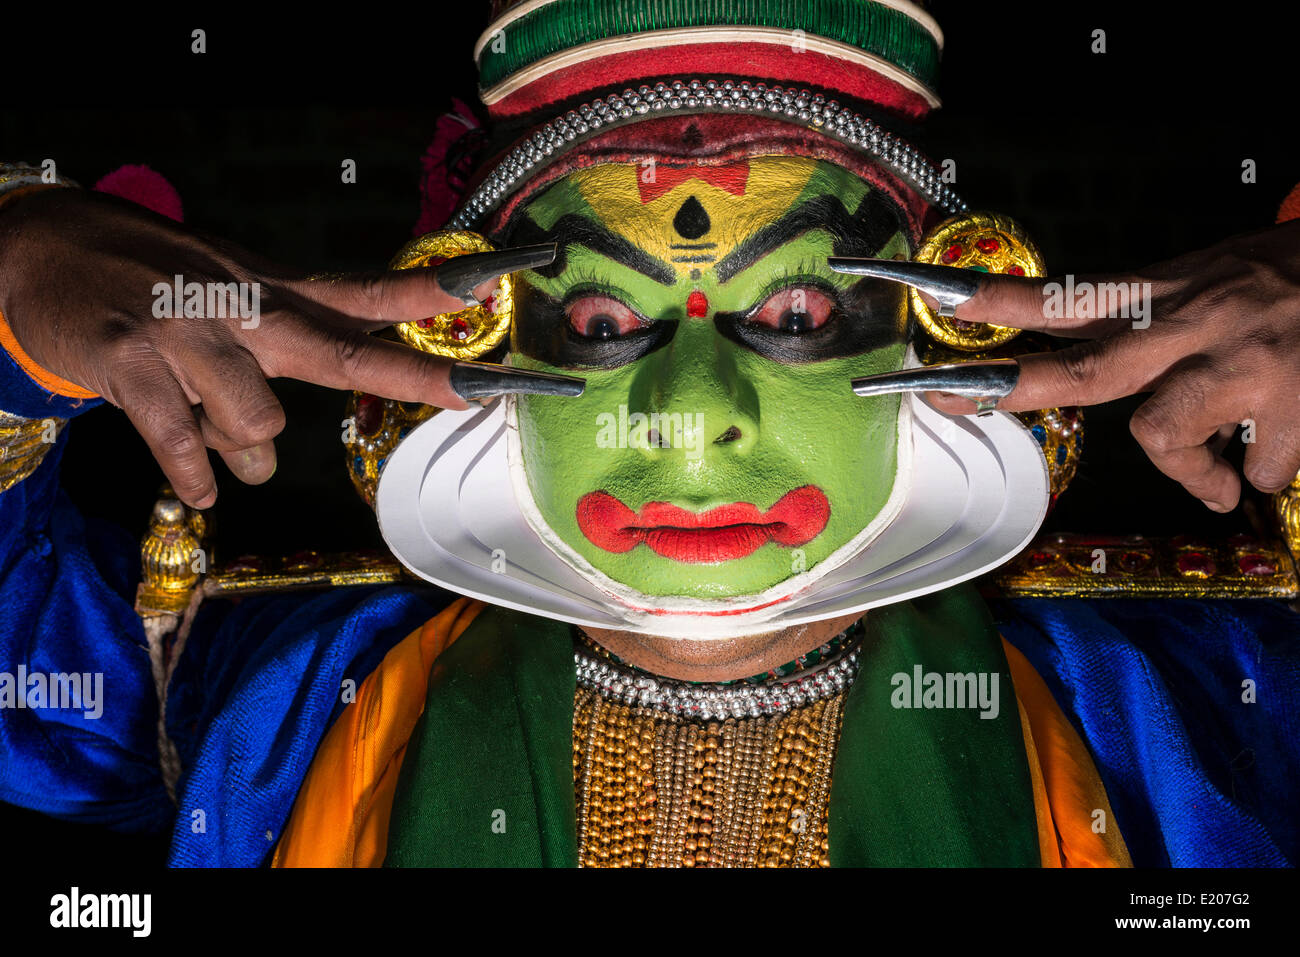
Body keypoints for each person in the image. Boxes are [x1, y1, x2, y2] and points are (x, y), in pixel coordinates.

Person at [0, 1, 1295, 867]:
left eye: (792, 306)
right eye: (604, 314)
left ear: (935, 335)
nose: (691, 415)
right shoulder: (257, 695)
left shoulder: (1195, 703)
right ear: (484, 345)